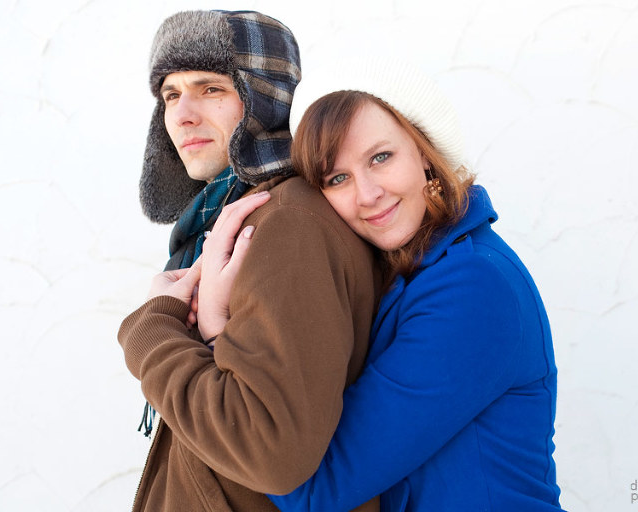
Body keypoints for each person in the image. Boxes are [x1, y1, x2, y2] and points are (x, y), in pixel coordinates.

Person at [197, 57, 565, 511]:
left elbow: (317, 489)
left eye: (380, 157)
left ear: (424, 152)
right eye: (338, 178)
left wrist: (214, 331)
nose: (368, 194)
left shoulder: (474, 288)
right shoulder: (407, 272)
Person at [117, 10, 381, 512]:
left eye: (211, 89)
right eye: (170, 95)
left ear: (265, 100)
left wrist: (152, 330)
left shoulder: (286, 222)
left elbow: (271, 451)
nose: (182, 114)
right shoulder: (227, 221)